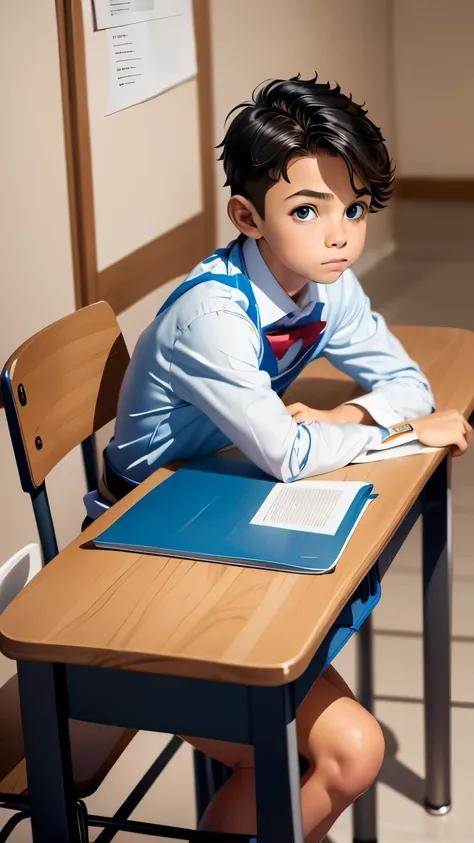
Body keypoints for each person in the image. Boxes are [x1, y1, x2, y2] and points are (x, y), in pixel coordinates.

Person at [85, 75, 471, 841]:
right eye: (307, 210)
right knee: (341, 752)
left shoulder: (327, 285)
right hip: (141, 559)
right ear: (245, 216)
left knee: (342, 737)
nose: (340, 235)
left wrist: (345, 413)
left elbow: (408, 382)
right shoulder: (213, 316)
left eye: (354, 209)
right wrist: (392, 433)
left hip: (216, 509)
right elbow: (294, 454)